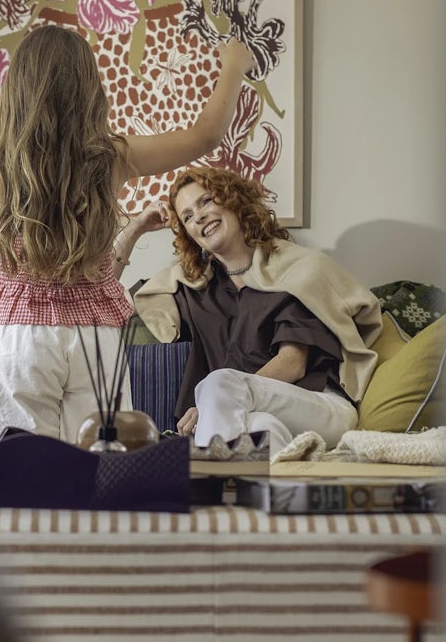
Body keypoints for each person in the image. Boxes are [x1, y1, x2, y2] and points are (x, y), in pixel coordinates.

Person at [0, 25, 254, 442]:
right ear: (90, 89)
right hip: (93, 338)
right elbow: (206, 135)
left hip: (23, 337)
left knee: (27, 470)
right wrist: (234, 66)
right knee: (99, 464)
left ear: (17, 90)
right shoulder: (113, 156)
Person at [130, 166, 382, 451]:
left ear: (233, 198)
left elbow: (293, 363)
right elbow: (99, 300)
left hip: (321, 406)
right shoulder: (194, 289)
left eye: (206, 201)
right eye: (187, 216)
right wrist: (136, 228)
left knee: (218, 384)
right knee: (262, 431)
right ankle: (261, 486)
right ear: (188, 233)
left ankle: (203, 486)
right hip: (251, 416)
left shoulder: (294, 270)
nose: (198, 215)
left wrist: (212, 404)